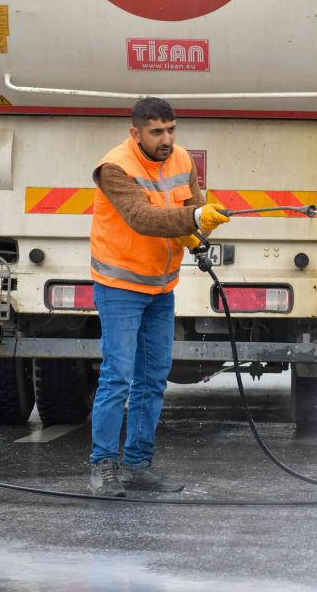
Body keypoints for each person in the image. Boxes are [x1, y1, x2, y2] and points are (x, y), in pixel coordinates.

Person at [87, 97, 230, 496]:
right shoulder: (114, 167)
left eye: (171, 130)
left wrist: (202, 225)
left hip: (161, 286)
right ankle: (103, 466)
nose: (166, 139)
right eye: (156, 132)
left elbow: (193, 209)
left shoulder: (182, 159)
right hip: (119, 286)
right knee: (117, 377)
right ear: (136, 133)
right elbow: (141, 218)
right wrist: (194, 218)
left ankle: (137, 466)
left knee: (153, 380)